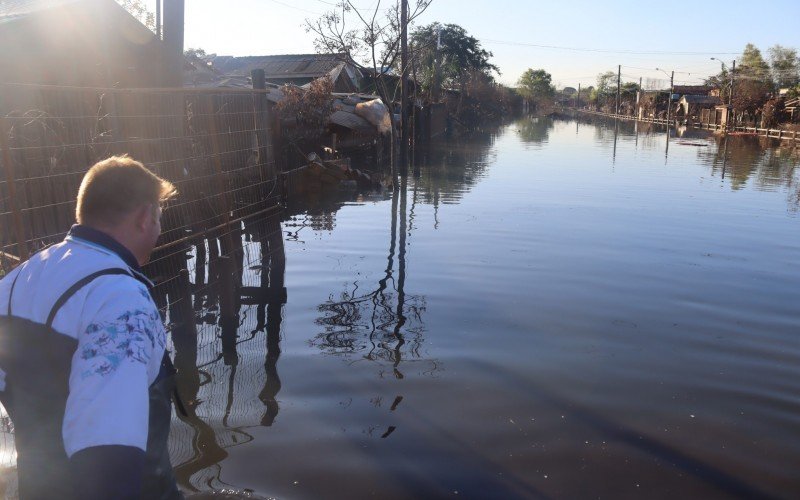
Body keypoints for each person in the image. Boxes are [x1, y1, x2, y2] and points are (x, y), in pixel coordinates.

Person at [0, 156, 183, 499]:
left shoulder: (15, 281)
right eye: (159, 217)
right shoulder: (120, 300)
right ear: (145, 218)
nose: (159, 229)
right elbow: (108, 450)